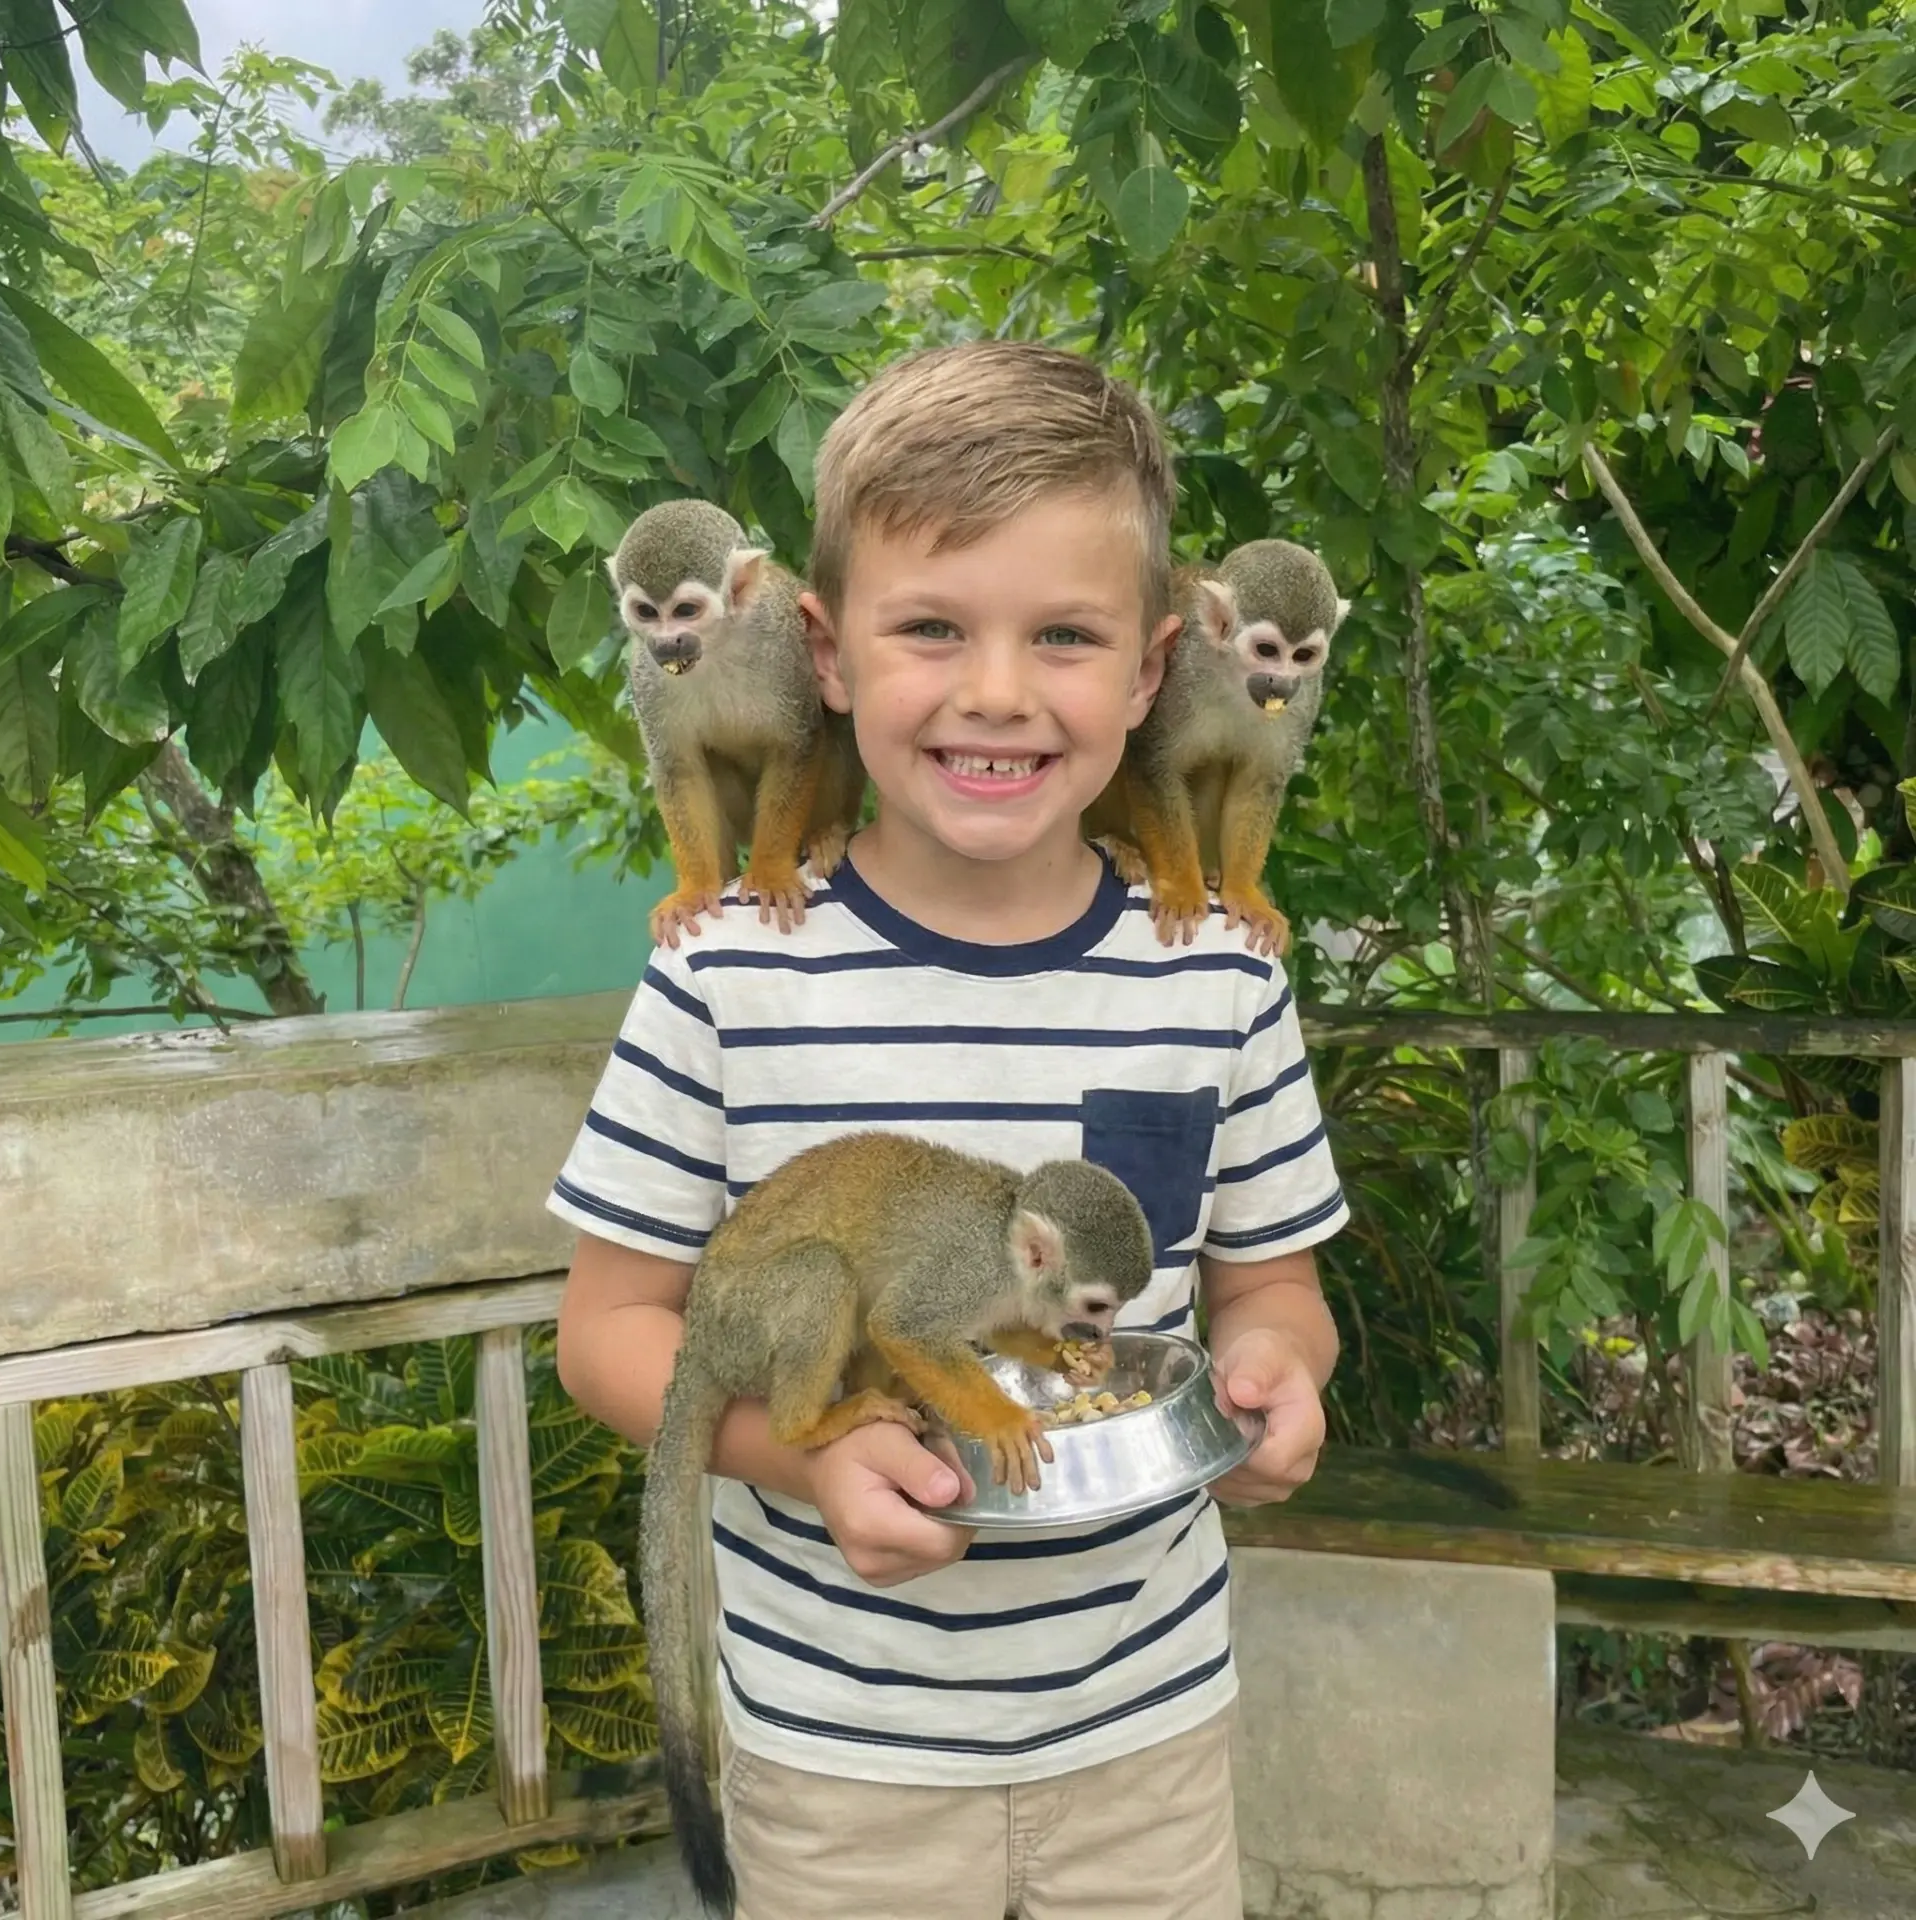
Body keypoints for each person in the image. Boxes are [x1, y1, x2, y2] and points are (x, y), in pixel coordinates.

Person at [551, 340, 1347, 1920]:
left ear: (1147, 672)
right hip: (842, 1749)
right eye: (934, 630)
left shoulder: (1221, 976)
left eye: (1063, 635)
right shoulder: (724, 974)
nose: (997, 691)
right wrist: (807, 1454)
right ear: (827, 655)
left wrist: (1281, 1382)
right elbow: (608, 1334)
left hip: (1148, 1722)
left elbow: (1270, 1288)